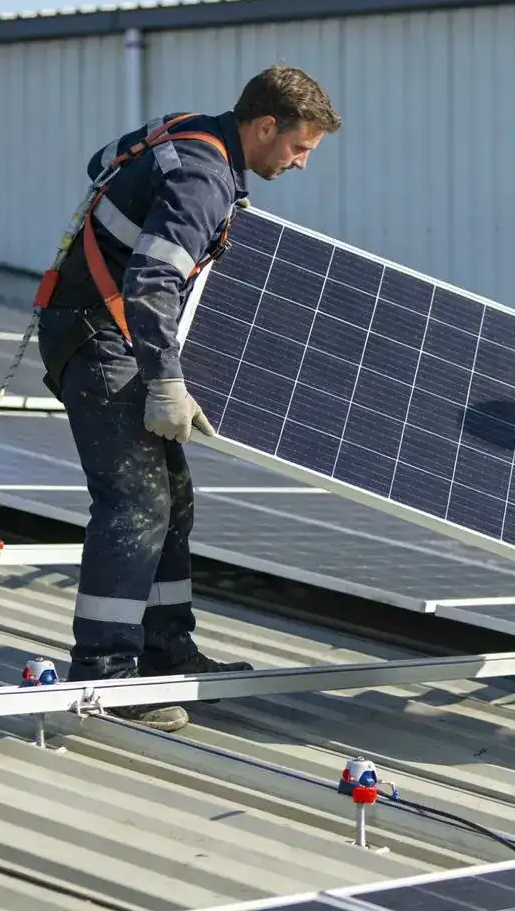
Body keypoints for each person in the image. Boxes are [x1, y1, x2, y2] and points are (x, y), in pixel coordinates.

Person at [34, 65, 343, 732]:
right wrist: (167, 381)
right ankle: (104, 675)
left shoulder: (189, 133)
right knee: (136, 505)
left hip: (103, 332)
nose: (300, 163)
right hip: (103, 341)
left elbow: (101, 161)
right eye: (299, 148)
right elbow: (151, 281)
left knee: (172, 500)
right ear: (266, 126)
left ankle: (165, 651)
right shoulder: (203, 176)